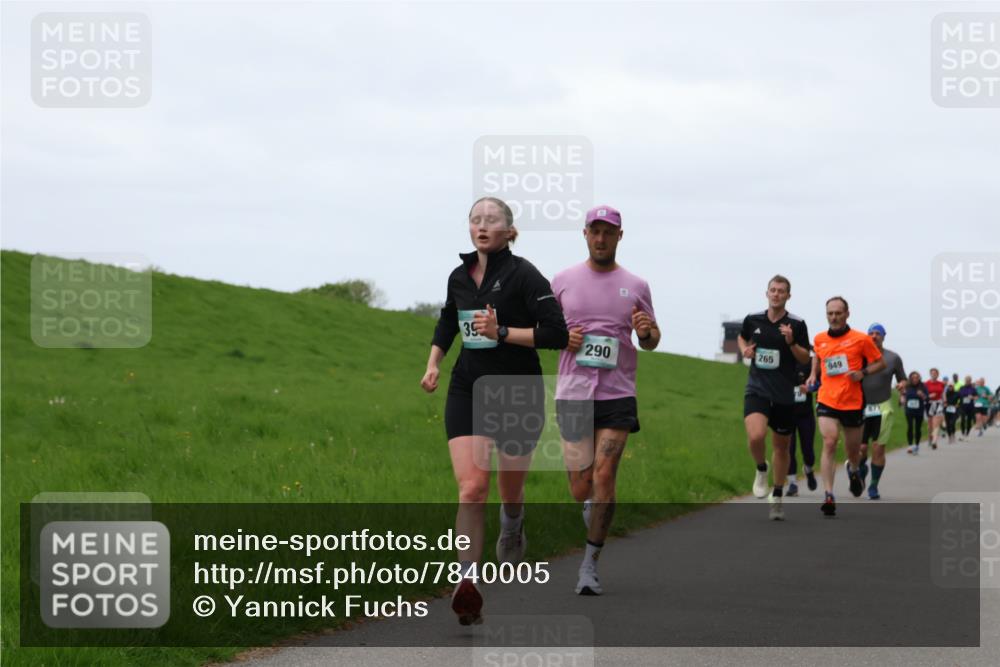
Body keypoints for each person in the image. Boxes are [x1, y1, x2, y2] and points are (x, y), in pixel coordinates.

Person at [421, 197, 568, 625]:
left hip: (518, 390)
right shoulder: (459, 276)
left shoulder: (524, 275)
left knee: (509, 488)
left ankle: (513, 520)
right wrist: (433, 363)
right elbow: (449, 322)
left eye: (492, 220)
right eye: (475, 219)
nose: (482, 226)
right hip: (468, 386)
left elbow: (556, 332)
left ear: (509, 230)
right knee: (471, 488)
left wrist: (502, 331)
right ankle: (467, 582)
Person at [553, 204, 660, 596]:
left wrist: (646, 331)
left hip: (617, 392)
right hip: (573, 393)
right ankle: (590, 507)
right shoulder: (562, 280)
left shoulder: (636, 285)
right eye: (594, 231)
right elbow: (547, 332)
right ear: (585, 234)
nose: (601, 238)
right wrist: (562, 337)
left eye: (608, 232)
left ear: (619, 235)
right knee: (580, 485)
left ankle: (589, 566)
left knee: (604, 477)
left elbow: (650, 340)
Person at [737, 275, 811, 521]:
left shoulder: (797, 324)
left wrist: (790, 342)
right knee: (756, 435)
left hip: (784, 395)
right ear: (766, 293)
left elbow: (804, 359)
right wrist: (744, 350)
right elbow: (742, 336)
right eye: (773, 290)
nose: (776, 294)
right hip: (757, 388)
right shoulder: (753, 319)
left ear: (788, 296)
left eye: (781, 291)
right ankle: (761, 469)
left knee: (781, 446)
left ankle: (777, 496)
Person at [808, 297, 885, 517]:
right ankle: (829, 495)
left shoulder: (861, 339)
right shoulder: (820, 338)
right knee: (830, 441)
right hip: (827, 400)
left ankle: (853, 469)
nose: (834, 317)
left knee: (853, 452)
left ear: (847, 314)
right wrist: (814, 373)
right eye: (830, 313)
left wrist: (863, 373)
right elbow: (818, 355)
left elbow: (880, 362)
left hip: (852, 402)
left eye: (838, 313)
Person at [858, 323, 906, 500]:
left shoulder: (893, 358)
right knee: (861, 449)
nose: (874, 336)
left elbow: (903, 378)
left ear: (884, 336)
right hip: (861, 407)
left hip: (883, 407)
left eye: (878, 333)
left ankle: (873, 486)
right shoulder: (859, 356)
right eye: (871, 333)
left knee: (878, 449)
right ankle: (860, 470)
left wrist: (902, 384)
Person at [787, 357, 818, 496]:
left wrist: (810, 388)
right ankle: (792, 483)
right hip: (787, 413)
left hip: (805, 414)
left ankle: (808, 468)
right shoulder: (783, 360)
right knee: (789, 449)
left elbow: (820, 383)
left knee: (808, 450)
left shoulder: (809, 362)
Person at [903, 371, 927, 454]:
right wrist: (902, 398)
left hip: (919, 410)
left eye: (917, 377)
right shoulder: (907, 386)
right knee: (910, 426)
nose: (915, 379)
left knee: (918, 428)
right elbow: (902, 395)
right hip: (909, 410)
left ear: (919, 378)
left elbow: (926, 398)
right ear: (910, 378)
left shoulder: (923, 386)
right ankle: (910, 445)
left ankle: (916, 445)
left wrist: (922, 395)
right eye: (913, 377)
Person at [924, 368, 946, 450]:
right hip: (929, 404)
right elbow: (923, 395)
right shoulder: (926, 384)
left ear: (938, 374)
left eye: (935, 373)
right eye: (932, 373)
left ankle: (934, 441)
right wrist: (929, 396)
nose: (934, 374)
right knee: (930, 425)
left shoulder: (941, 383)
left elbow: (943, 393)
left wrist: (945, 401)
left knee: (936, 424)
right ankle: (930, 438)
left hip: (938, 403)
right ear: (930, 374)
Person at [959, 375, 977, 439]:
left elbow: (976, 397)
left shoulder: (973, 389)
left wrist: (972, 397)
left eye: (969, 380)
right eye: (966, 380)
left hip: (970, 406)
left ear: (970, 381)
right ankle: (963, 432)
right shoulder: (961, 388)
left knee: (969, 421)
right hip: (962, 406)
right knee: (963, 419)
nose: (967, 381)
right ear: (965, 381)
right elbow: (958, 395)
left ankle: (967, 432)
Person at [944, 379, 961, 444]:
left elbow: (961, 400)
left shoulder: (957, 393)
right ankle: (949, 437)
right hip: (947, 410)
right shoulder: (946, 393)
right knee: (948, 424)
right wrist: (944, 403)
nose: (950, 387)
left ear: (953, 387)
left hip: (954, 410)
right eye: (949, 386)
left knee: (952, 423)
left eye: (951, 386)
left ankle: (953, 435)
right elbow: (943, 400)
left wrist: (958, 404)